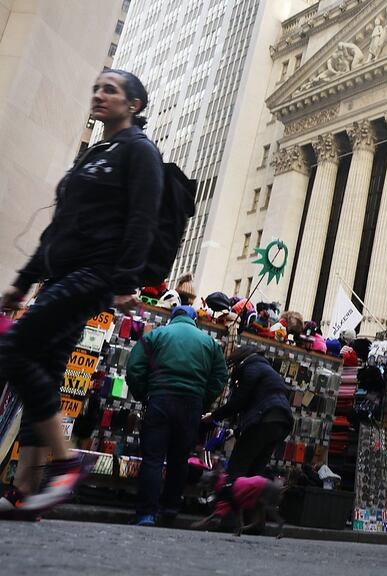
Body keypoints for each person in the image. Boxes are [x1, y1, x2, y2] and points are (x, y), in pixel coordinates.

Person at [0, 69, 163, 520]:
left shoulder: (139, 152)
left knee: (12, 349)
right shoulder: (95, 153)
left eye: (110, 89)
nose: (98, 94)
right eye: (95, 87)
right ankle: (25, 490)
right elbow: (58, 226)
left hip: (95, 274)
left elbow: (143, 220)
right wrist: (24, 280)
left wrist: (126, 280)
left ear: (134, 104)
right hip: (60, 276)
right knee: (45, 372)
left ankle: (66, 464)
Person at [126, 305, 228, 526]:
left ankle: (146, 514)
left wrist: (144, 394)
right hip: (191, 404)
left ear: (172, 318)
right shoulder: (209, 342)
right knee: (179, 460)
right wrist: (203, 400)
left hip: (160, 399)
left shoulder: (156, 335)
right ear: (194, 321)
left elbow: (134, 368)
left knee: (153, 459)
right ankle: (170, 510)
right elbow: (220, 376)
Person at [204, 344, 293, 530]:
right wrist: (236, 431)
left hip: (264, 421)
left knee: (236, 474)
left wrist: (214, 416)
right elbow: (258, 401)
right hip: (280, 423)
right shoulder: (268, 369)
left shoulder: (251, 367)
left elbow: (240, 401)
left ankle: (229, 522)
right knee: (255, 476)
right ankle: (256, 525)